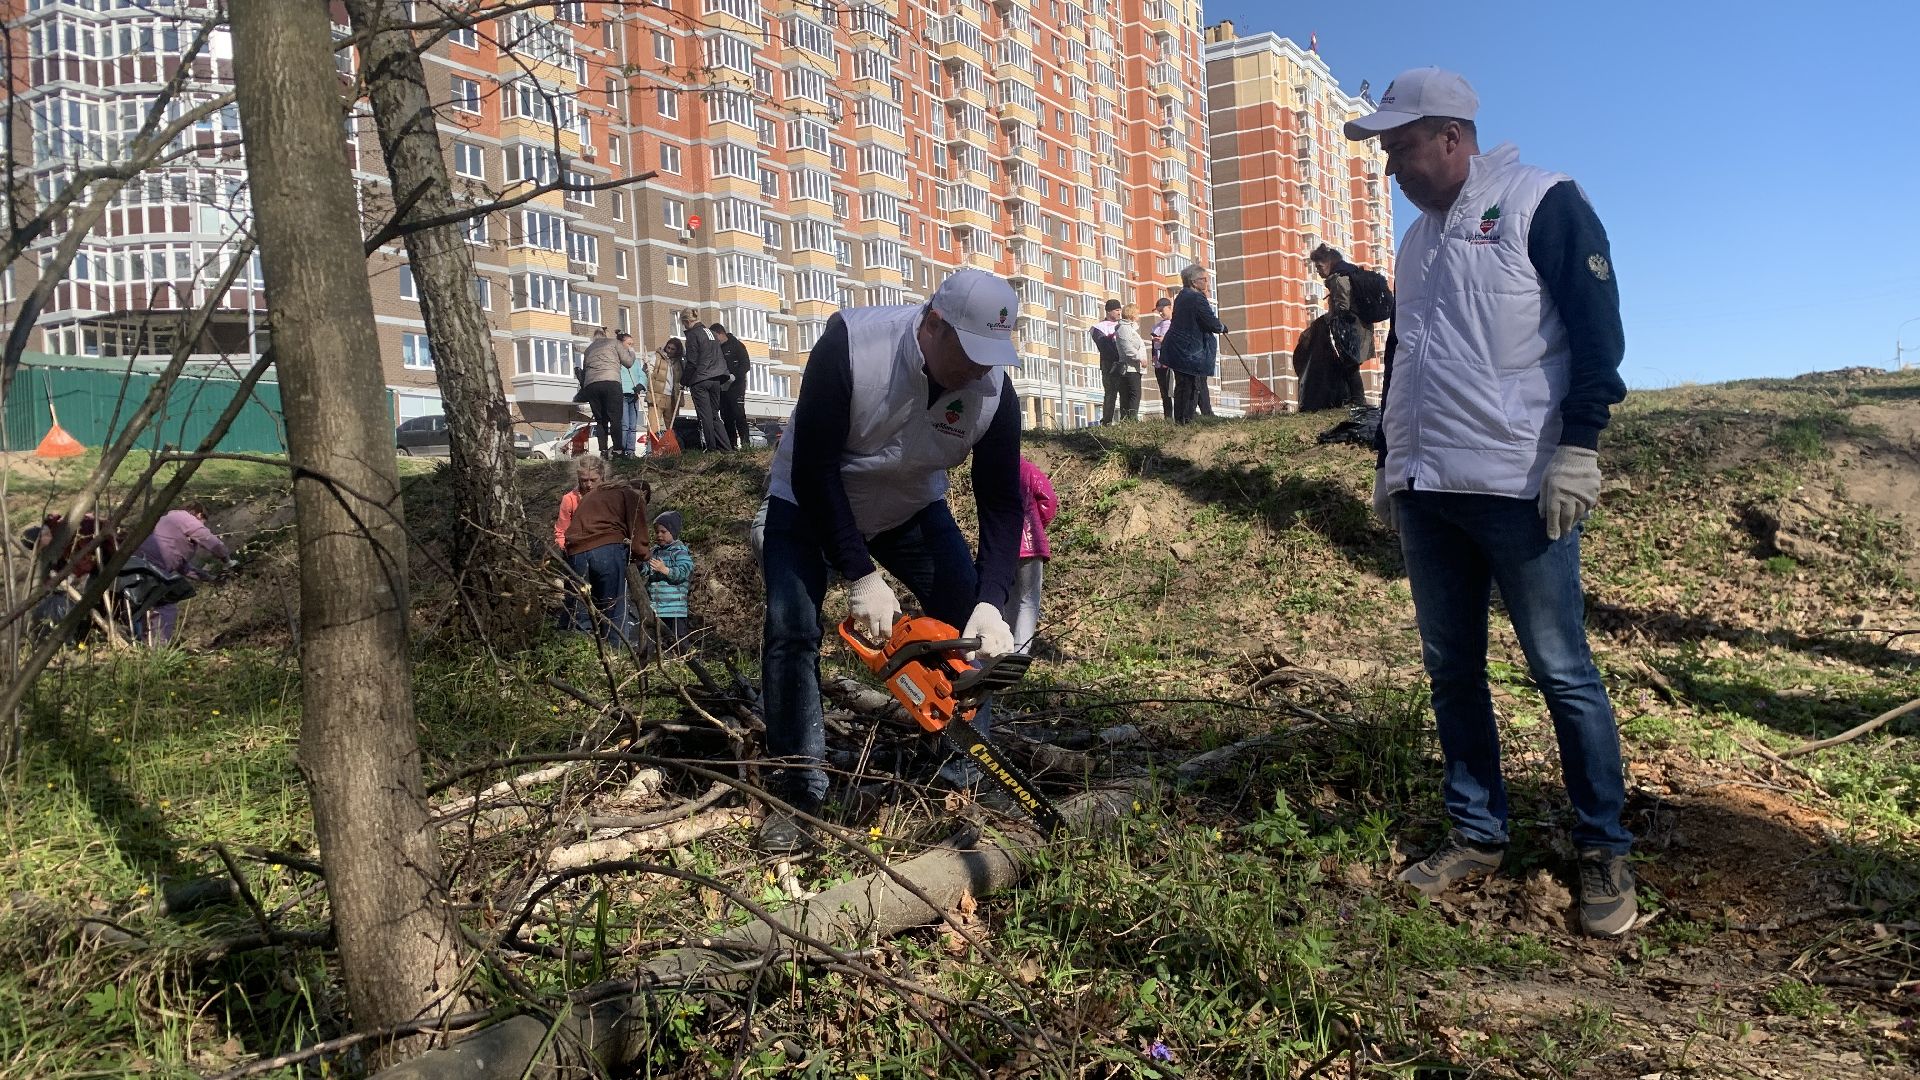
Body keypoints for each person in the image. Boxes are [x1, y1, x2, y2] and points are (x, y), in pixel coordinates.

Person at [1346, 67, 1633, 937]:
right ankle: (1476, 829)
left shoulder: (1543, 202)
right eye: (1385, 150)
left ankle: (1603, 847)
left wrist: (1579, 449)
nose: (1389, 166)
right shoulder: (1415, 242)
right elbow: (1408, 359)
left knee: (1561, 670)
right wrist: (1393, 460)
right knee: (1452, 670)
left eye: (1399, 147)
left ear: (1449, 136)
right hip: (1430, 491)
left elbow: (1597, 334)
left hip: (1518, 485)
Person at [757, 268, 1024, 851]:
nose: (981, 369)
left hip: (909, 507)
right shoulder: (853, 348)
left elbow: (1004, 502)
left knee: (963, 620)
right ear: (933, 325)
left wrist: (991, 599)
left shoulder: (995, 392)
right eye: (971, 352)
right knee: (790, 626)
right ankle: (797, 788)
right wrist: (859, 574)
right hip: (810, 503)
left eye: (992, 355)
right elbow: (814, 468)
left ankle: (967, 768)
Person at [561, 453, 647, 642]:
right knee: (613, 607)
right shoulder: (632, 496)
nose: (588, 484)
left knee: (582, 607)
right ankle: (616, 652)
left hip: (576, 552)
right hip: (607, 550)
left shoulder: (589, 497)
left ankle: (581, 652)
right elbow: (638, 532)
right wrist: (641, 556)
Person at [133, 502, 228, 645]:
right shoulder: (183, 517)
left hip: (144, 564)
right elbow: (208, 539)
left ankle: (142, 643)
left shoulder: (169, 523)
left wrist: (210, 578)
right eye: (203, 522)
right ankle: (159, 647)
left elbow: (183, 567)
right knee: (165, 603)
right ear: (199, 515)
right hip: (151, 567)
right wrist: (227, 559)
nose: (202, 525)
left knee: (145, 605)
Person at [1156, 264, 1226, 424]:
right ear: (1194, 282)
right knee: (1191, 385)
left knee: (1183, 385)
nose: (1207, 283)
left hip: (1178, 348)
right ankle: (1187, 419)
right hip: (1188, 351)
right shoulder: (1196, 298)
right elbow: (1209, 321)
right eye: (1204, 280)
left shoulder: (1182, 296)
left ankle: (1181, 419)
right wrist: (1221, 327)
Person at [1311, 243, 1376, 409]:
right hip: (1359, 325)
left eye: (1319, 266)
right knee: (1350, 364)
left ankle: (1358, 401)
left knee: (1350, 364)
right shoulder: (1347, 273)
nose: (1317, 271)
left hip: (1352, 327)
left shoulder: (1339, 279)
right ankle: (1355, 399)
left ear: (1329, 263)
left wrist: (1330, 318)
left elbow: (1343, 306)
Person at [1011, 456, 1057, 654]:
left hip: (1002, 545)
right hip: (1030, 543)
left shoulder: (993, 467)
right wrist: (1038, 524)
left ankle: (1001, 650)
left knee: (1009, 599)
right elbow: (1049, 500)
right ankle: (1019, 653)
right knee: (1028, 602)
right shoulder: (1027, 469)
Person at [644, 509, 694, 653]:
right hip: (657, 608)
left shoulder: (680, 551)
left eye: (663, 531)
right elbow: (647, 570)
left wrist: (665, 570)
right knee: (658, 640)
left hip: (675, 609)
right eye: (657, 531)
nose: (659, 535)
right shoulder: (655, 551)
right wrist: (642, 565)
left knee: (678, 640)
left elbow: (685, 571)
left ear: (673, 531)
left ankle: (683, 662)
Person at [580, 329, 636, 457]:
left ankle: (603, 451)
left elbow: (584, 372)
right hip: (611, 382)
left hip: (592, 385)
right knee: (615, 418)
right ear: (605, 336)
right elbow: (628, 362)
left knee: (600, 420)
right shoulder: (614, 343)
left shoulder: (588, 349)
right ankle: (617, 450)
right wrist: (631, 352)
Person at [679, 309, 728, 451]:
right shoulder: (711, 333)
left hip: (701, 379)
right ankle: (726, 448)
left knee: (705, 416)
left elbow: (692, 362)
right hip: (716, 378)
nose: (684, 327)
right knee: (714, 415)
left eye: (683, 324)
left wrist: (684, 381)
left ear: (687, 322)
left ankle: (711, 448)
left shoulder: (693, 335)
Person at [712, 322, 753, 450]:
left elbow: (746, 364)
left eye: (715, 337)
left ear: (720, 333)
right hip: (723, 387)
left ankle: (746, 445)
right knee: (726, 416)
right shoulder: (717, 349)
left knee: (738, 414)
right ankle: (731, 445)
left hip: (737, 387)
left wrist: (734, 375)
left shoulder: (737, 346)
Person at [1089, 299, 1125, 424]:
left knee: (1126, 391)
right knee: (1110, 393)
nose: (1119, 313)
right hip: (1109, 363)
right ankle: (1107, 420)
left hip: (1124, 362)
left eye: (1120, 310)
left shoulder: (1123, 325)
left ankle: (1127, 418)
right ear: (1109, 311)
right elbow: (1103, 345)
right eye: (1116, 310)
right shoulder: (1099, 328)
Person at [1113, 302, 1148, 422]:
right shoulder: (1124, 329)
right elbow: (1128, 349)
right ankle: (1131, 419)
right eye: (1137, 313)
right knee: (1133, 394)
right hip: (1129, 368)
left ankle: (1128, 419)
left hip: (1134, 367)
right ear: (1132, 314)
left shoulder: (1129, 328)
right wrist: (1140, 358)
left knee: (1131, 394)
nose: (1139, 316)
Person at [647, 338, 683, 445]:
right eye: (668, 347)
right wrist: (647, 367)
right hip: (658, 395)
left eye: (673, 349)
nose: (670, 351)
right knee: (654, 424)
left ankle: (671, 447)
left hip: (672, 397)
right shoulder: (657, 357)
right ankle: (652, 447)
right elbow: (648, 370)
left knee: (672, 425)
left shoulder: (679, 362)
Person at [618, 331, 646, 456]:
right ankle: (622, 450)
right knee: (624, 425)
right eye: (629, 344)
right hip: (622, 394)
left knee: (633, 425)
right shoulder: (617, 359)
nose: (631, 346)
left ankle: (631, 451)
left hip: (634, 395)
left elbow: (641, 374)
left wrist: (640, 385)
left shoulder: (634, 360)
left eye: (632, 344)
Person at [1149, 296, 1174, 417]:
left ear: (1169, 308)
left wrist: (1166, 339)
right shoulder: (1156, 326)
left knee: (1173, 390)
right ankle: (1168, 417)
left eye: (1162, 310)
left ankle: (1182, 416)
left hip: (1172, 363)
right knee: (1164, 392)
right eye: (1158, 311)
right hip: (1159, 364)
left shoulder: (1176, 324)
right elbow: (1154, 345)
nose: (1160, 313)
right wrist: (1154, 356)